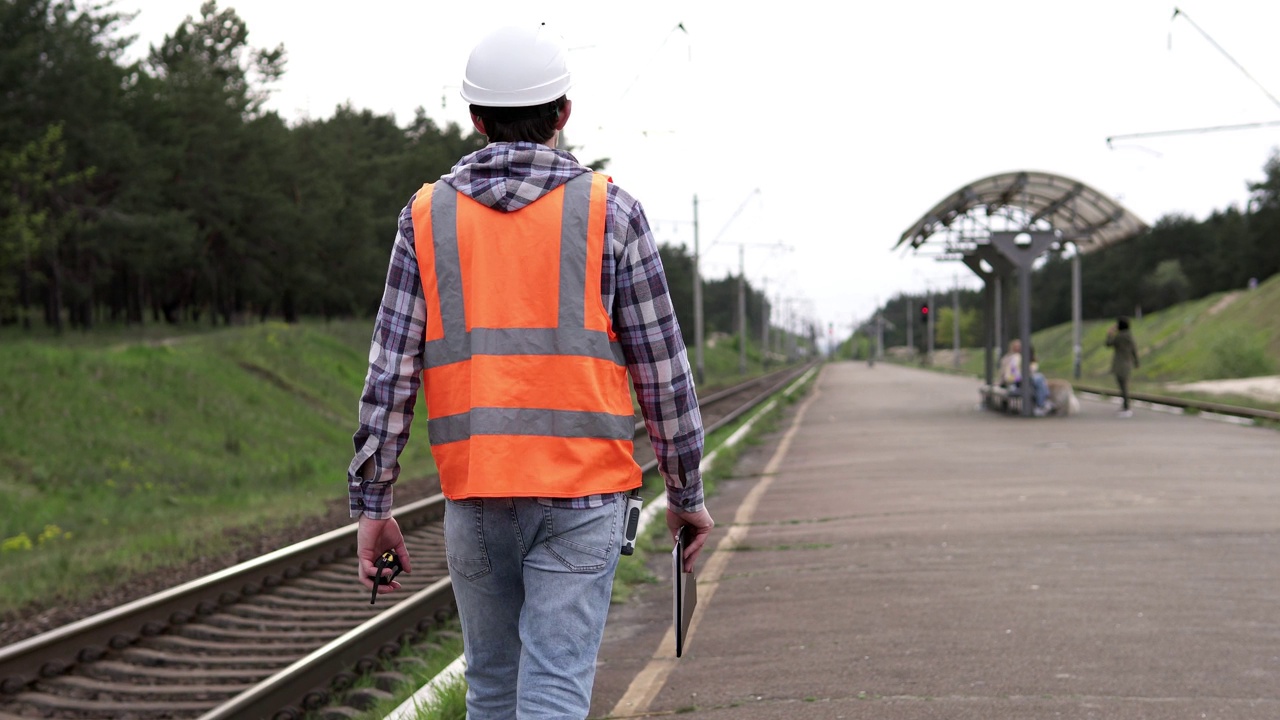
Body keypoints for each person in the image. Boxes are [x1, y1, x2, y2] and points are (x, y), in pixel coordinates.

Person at [345, 23, 713, 719]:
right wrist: (686, 491)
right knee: (555, 686)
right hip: (583, 495)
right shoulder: (613, 211)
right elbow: (663, 373)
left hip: (476, 492)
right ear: (564, 112)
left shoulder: (423, 218)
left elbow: (388, 376)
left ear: (475, 118)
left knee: (491, 686)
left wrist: (374, 506)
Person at [997, 338, 1052, 415]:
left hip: (1022, 381)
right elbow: (1014, 373)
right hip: (1016, 382)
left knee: (1039, 379)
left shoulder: (1021, 358)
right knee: (1039, 378)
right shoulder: (1015, 358)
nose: (1018, 349)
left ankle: (1042, 403)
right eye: (1017, 347)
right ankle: (1042, 404)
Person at [1105, 316, 1140, 417]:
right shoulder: (1130, 336)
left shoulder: (1119, 337)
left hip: (1119, 365)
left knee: (1123, 387)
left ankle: (1126, 407)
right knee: (1125, 386)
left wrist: (1110, 333)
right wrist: (1137, 363)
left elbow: (1108, 344)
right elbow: (1134, 350)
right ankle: (1125, 406)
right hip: (1128, 364)